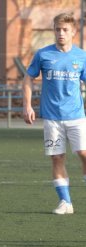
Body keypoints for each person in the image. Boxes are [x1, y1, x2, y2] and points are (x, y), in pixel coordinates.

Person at [23, 13, 86, 215]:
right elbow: (28, 78)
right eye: (57, 29)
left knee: (84, 154)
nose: (61, 33)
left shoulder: (81, 56)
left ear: (73, 32)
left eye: (65, 30)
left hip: (76, 116)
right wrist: (28, 105)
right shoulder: (43, 54)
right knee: (57, 158)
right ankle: (65, 202)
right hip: (52, 117)